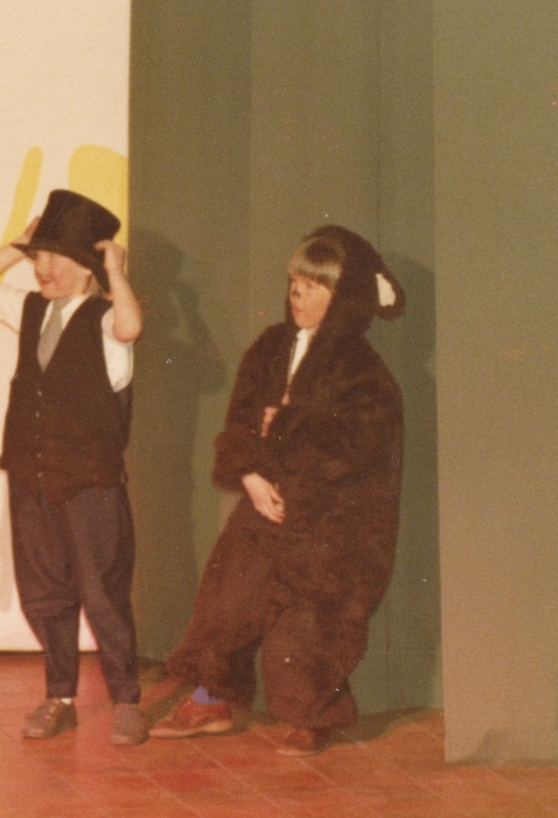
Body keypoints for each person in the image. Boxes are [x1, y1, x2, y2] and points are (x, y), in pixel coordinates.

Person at [150, 225, 405, 756]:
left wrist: (285, 426)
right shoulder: (270, 347)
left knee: (310, 616)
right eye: (294, 283)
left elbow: (359, 442)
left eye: (312, 287)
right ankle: (212, 698)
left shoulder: (362, 367)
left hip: (327, 516)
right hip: (264, 497)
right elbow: (243, 421)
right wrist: (251, 476)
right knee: (229, 600)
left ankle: (312, 714)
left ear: (342, 298)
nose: (297, 295)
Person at [0, 189, 147, 747]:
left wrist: (116, 273)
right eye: (38, 256)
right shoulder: (31, 308)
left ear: (87, 268)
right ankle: (59, 696)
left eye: (55, 257)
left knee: (102, 592)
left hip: (89, 482)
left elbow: (131, 327)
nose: (42, 267)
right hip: (31, 473)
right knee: (44, 590)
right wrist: (18, 245)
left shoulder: (107, 319)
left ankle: (126, 700)